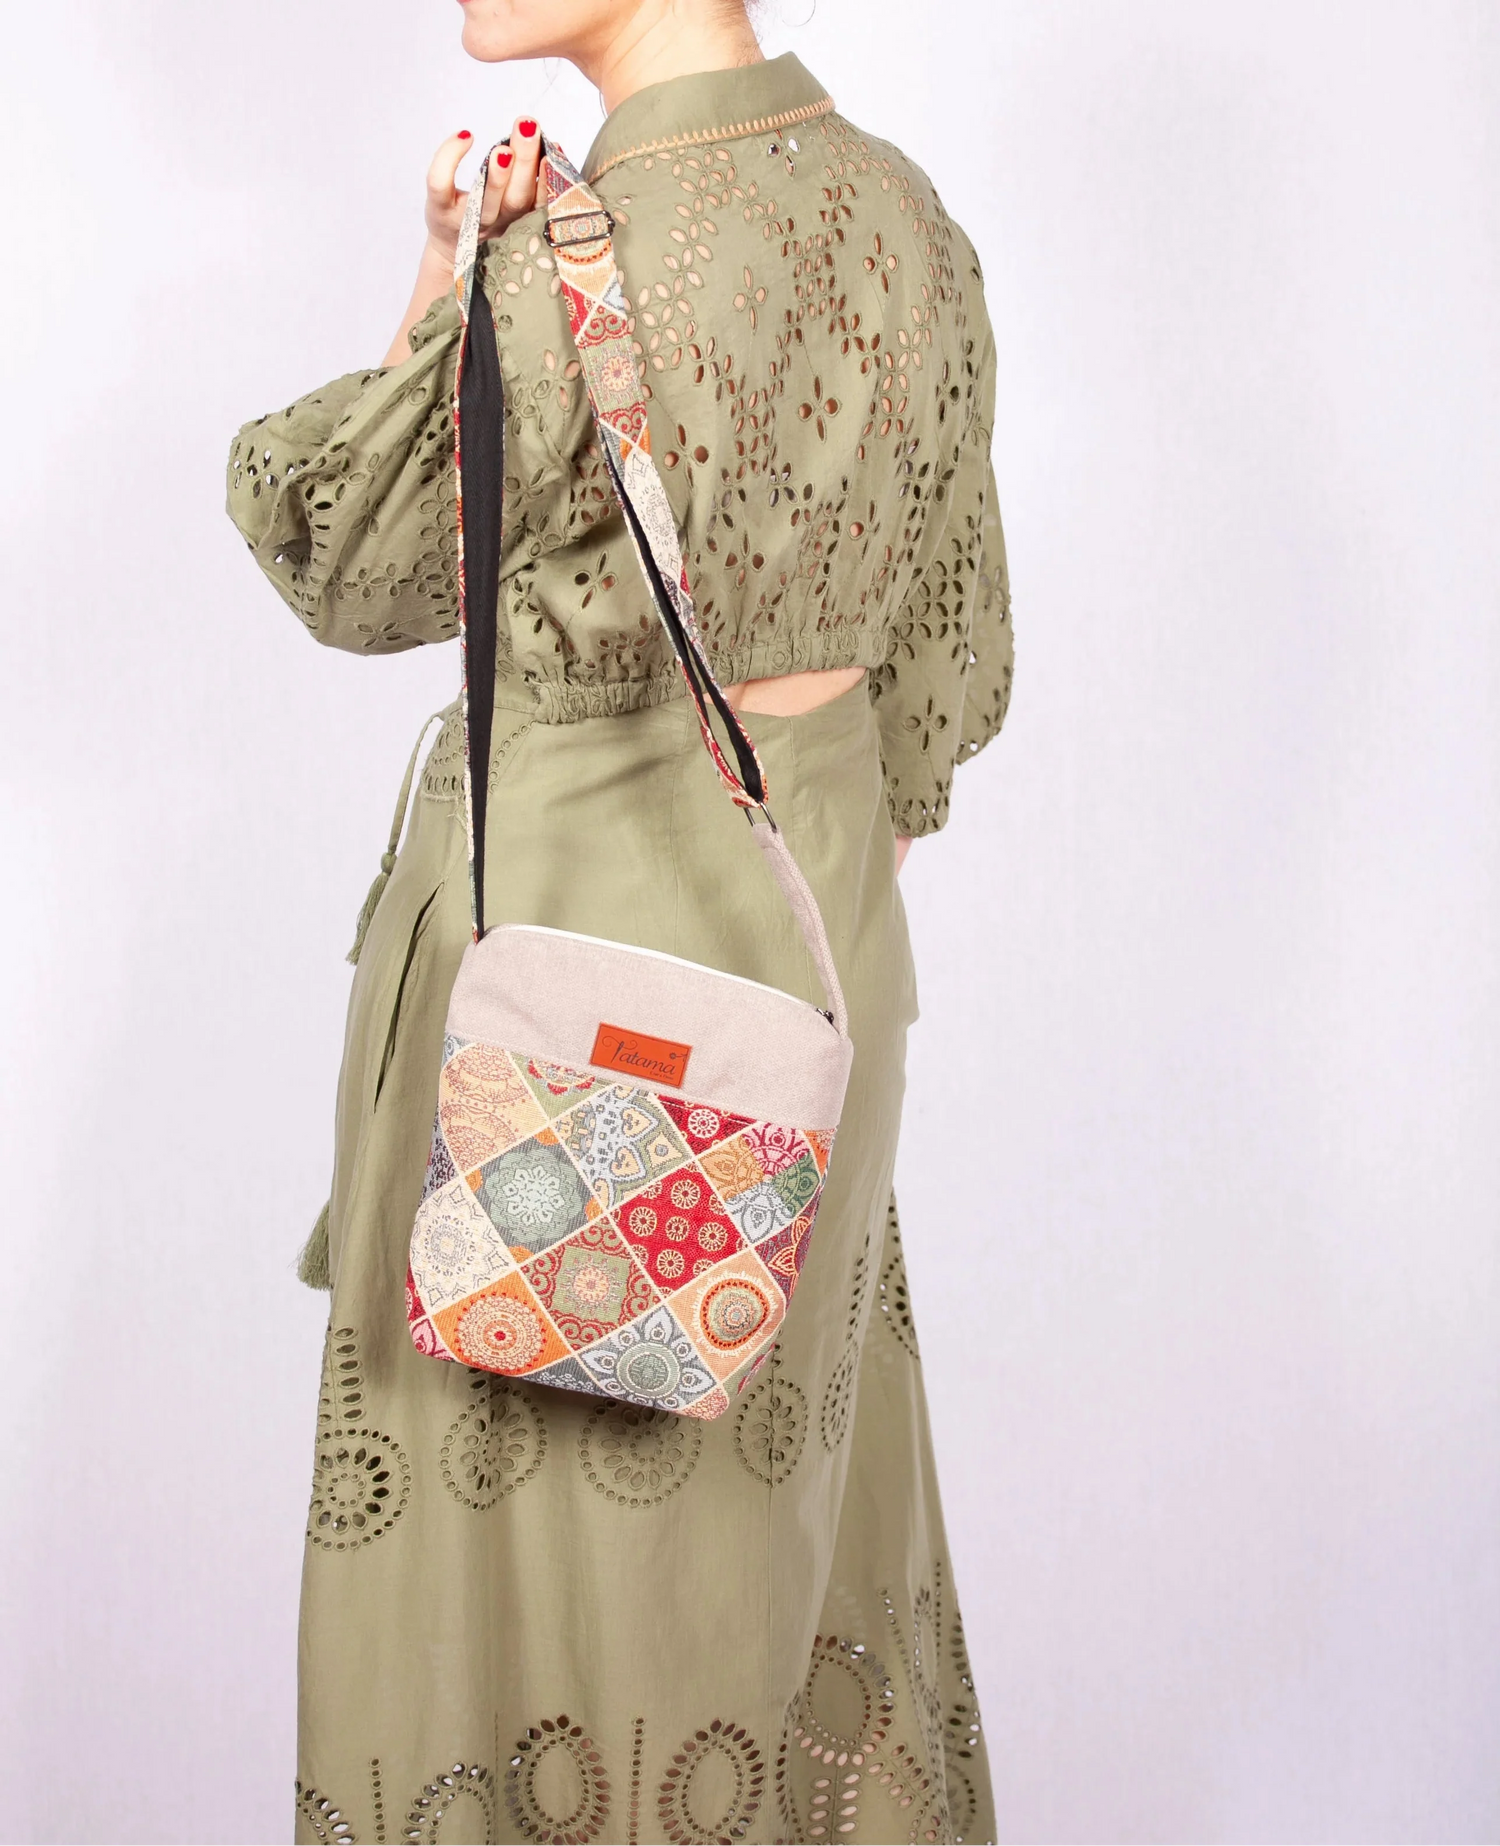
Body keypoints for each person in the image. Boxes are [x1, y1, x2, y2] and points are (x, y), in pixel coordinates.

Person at [226, 0, 1013, 1838]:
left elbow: (340, 549)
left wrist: (444, 274)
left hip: (555, 1021)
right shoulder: (912, 222)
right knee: (766, 1555)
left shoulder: (555, 269)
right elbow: (942, 690)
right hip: (809, 1000)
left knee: (520, 1605)